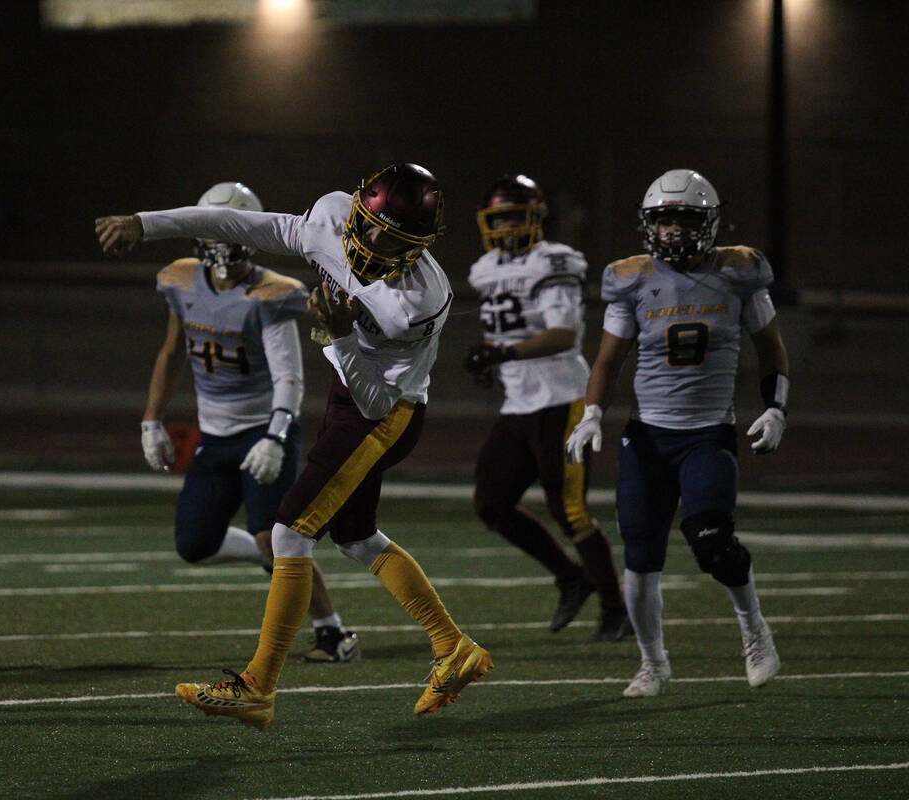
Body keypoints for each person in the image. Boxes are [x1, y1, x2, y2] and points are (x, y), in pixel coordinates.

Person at [97, 163, 493, 730]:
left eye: (398, 240)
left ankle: (257, 685)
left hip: (385, 411)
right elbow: (241, 224)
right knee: (355, 536)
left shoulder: (416, 302)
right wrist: (146, 223)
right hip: (351, 394)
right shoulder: (332, 216)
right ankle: (453, 647)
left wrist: (343, 337)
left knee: (288, 529)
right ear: (357, 210)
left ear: (421, 246)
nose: (378, 243)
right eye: (375, 227)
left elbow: (378, 401)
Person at [564, 169, 788, 697]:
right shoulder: (631, 277)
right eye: (662, 220)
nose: (670, 231)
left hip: (707, 434)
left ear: (707, 223)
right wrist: (592, 413)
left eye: (682, 219)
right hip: (647, 437)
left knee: (713, 542)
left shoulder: (740, 273)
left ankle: (754, 629)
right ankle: (653, 664)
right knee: (640, 559)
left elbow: (771, 349)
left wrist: (776, 408)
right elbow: (607, 362)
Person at [140, 181, 357, 664]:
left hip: (264, 431)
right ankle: (270, 557)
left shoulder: (270, 294)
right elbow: (173, 350)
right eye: (209, 230)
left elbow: (288, 376)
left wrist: (277, 435)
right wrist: (151, 420)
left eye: (224, 229)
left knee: (277, 536)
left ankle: (333, 633)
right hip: (214, 436)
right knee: (194, 544)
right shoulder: (180, 279)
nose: (217, 242)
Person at [463, 174, 630, 642]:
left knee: (570, 509)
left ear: (536, 218)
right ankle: (570, 577)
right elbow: (508, 334)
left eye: (518, 216)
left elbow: (563, 335)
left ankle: (617, 609)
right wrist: (492, 355)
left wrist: (502, 354)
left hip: (563, 399)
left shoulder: (554, 261)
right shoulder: (485, 269)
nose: (509, 225)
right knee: (492, 503)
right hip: (519, 403)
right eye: (502, 218)